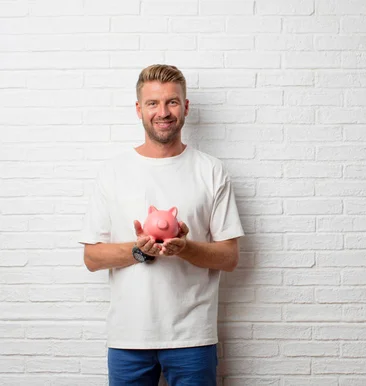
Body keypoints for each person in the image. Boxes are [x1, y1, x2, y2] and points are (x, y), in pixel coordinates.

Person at [78, 64, 244, 386]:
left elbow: (229, 257)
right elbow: (92, 258)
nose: (163, 112)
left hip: (192, 337)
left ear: (185, 106)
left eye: (172, 102)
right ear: (139, 109)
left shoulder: (211, 171)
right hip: (129, 337)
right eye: (153, 103)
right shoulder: (113, 172)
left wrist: (185, 248)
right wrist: (140, 251)